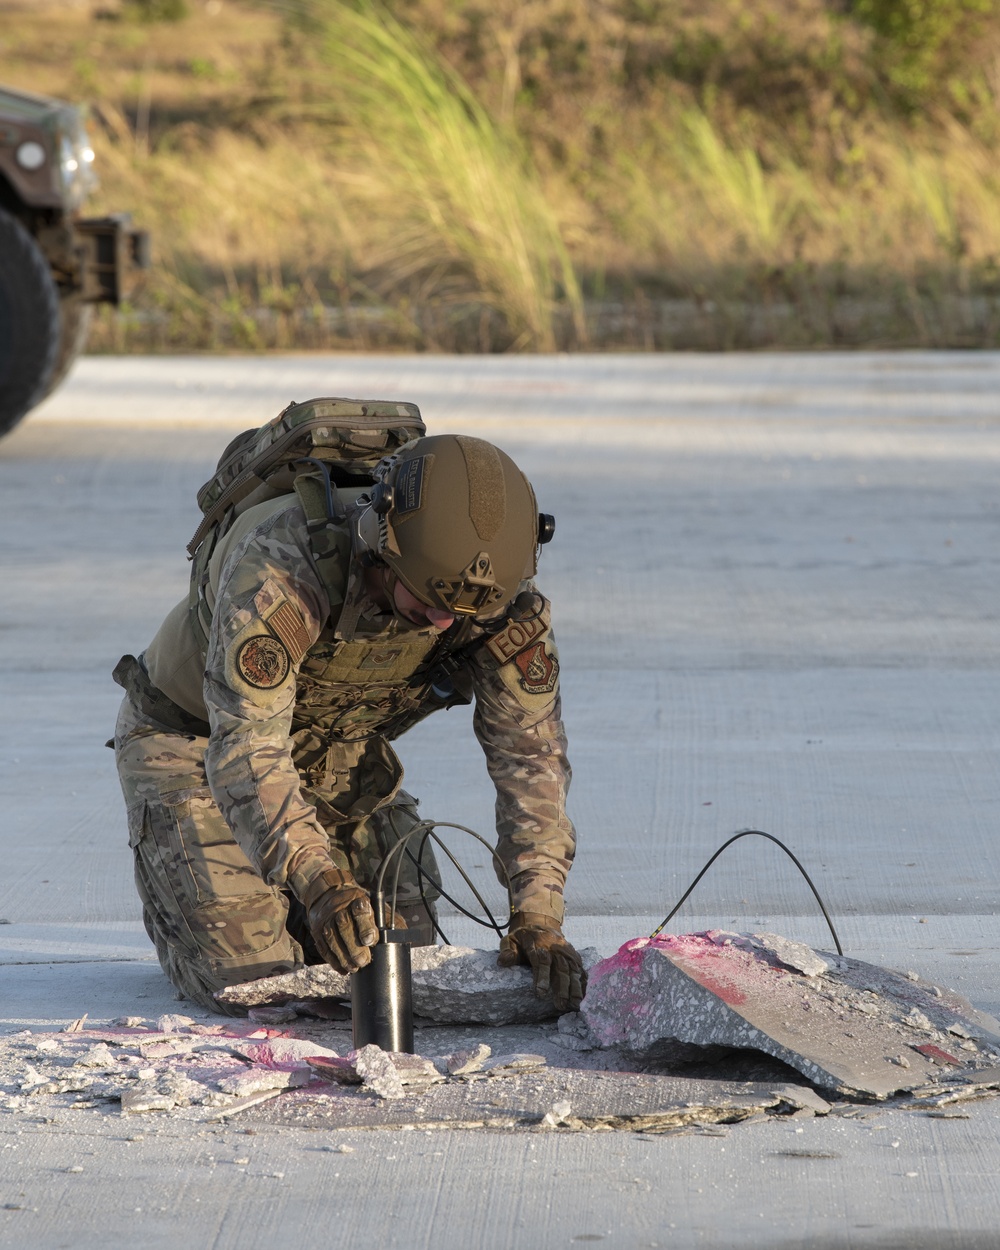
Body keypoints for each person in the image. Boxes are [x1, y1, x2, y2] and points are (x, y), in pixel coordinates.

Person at [112, 426, 586, 1016]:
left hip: (332, 750)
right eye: (424, 601)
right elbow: (248, 750)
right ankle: (195, 894)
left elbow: (530, 760)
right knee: (259, 986)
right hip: (195, 745)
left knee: (396, 969)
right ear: (378, 544)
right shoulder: (282, 568)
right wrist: (319, 882)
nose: (442, 623)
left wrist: (538, 916)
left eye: (461, 611)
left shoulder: (497, 600)